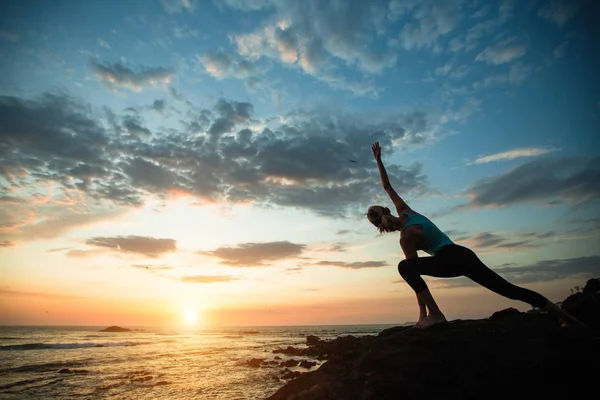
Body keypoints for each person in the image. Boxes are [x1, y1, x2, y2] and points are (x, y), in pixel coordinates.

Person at [367, 141, 585, 329]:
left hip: (447, 260)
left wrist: (423, 313)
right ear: (387, 211)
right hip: (463, 254)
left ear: (381, 228)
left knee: (405, 267)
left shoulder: (406, 237)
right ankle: (568, 318)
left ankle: (437, 315)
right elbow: (387, 186)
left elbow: (415, 277)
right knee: (510, 290)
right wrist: (378, 160)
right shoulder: (407, 212)